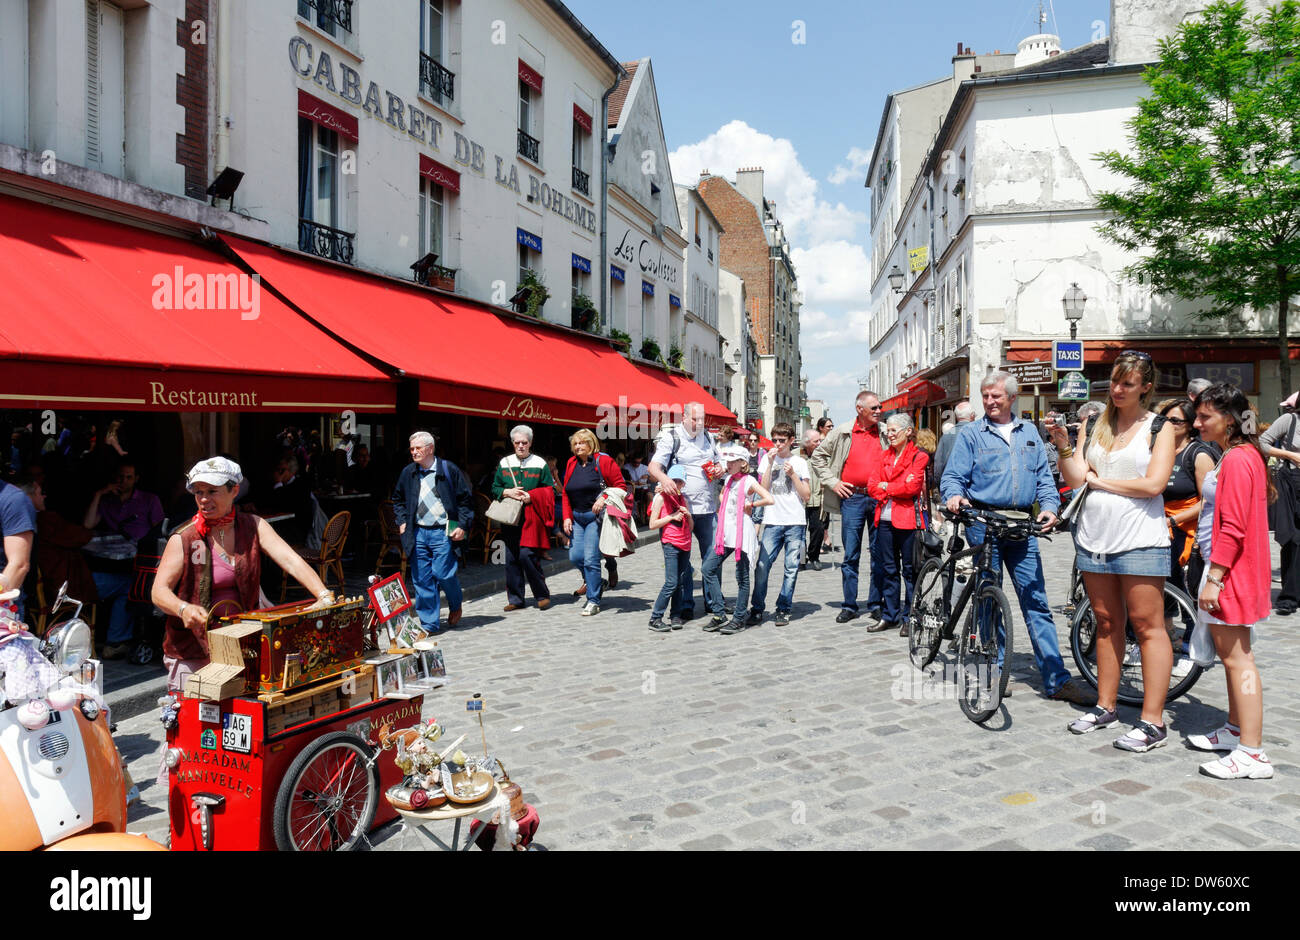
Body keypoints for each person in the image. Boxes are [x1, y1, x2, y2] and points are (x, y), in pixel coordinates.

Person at [1049, 351, 1178, 744]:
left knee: (1147, 626)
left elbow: (1153, 485)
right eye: (1115, 382)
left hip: (1139, 537)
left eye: (1128, 383)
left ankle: (1152, 720)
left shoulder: (1159, 427)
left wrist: (1100, 481)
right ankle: (1106, 706)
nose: (1118, 390)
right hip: (1094, 536)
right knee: (1105, 623)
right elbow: (1076, 479)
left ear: (1145, 388)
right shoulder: (1097, 423)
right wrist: (1064, 447)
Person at [945, 370, 1095, 705]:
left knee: (1036, 601)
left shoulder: (1029, 432)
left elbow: (1044, 478)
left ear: (1012, 398)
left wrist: (1051, 507)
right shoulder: (971, 434)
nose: (990, 402)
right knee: (989, 598)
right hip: (984, 523)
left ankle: (1057, 679)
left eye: (996, 396)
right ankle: (993, 670)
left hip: (1022, 526)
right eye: (985, 396)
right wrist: (954, 496)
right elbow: (953, 476)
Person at [151, 457, 336, 693]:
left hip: (243, 643)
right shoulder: (184, 538)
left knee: (243, 717)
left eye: (212, 491)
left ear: (234, 490)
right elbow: (158, 591)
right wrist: (182, 608)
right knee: (198, 722)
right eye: (198, 492)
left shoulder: (253, 526)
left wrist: (322, 594)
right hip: (194, 649)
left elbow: (290, 560)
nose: (204, 499)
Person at [1185, 384, 1274, 778]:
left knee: (1240, 660)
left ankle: (1252, 753)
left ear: (1229, 419)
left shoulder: (1237, 459)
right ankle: (1237, 730)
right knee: (1232, 658)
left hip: (1232, 573)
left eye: (1206, 416)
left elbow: (1234, 527)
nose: (1197, 422)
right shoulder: (1242, 454)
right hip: (1236, 569)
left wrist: (1215, 578)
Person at [810, 390, 888, 624]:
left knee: (878, 554)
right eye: (873, 408)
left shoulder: (884, 432)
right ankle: (849, 604)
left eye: (879, 407)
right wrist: (833, 482)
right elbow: (817, 457)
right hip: (852, 498)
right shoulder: (842, 431)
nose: (878, 411)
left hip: (878, 498)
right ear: (859, 409)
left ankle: (875, 604)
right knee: (851, 553)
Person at [647, 402, 722, 621]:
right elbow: (654, 467)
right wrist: (665, 479)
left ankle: (712, 602)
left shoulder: (708, 437)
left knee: (713, 557)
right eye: (695, 419)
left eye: (702, 419)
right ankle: (685, 605)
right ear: (684, 417)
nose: (699, 424)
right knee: (683, 563)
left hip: (707, 508)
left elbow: (718, 462)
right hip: (680, 510)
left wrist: (719, 468)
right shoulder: (672, 437)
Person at [392, 432, 473, 633]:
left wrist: (462, 525)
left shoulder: (448, 469)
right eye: (411, 449)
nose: (414, 452)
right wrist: (402, 522)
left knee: (442, 572)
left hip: (443, 531)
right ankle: (429, 624)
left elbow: (465, 501)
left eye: (418, 448)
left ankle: (455, 603)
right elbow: (398, 499)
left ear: (430, 448)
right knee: (422, 578)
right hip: (417, 532)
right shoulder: (408, 472)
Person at [83, 462, 165, 658]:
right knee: (125, 586)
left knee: (132, 586)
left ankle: (122, 638)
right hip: (109, 559)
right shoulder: (107, 501)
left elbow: (160, 530)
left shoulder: (148, 500)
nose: (123, 481)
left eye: (128, 477)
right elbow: (88, 524)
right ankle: (116, 639)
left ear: (136, 479)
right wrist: (99, 495)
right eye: (120, 476)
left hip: (140, 558)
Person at [702, 446, 773, 635]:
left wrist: (751, 504)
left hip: (743, 533)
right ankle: (719, 614)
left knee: (742, 577)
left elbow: (768, 498)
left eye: (733, 461)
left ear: (743, 463)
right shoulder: (728, 480)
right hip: (725, 533)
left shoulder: (749, 480)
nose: (729, 464)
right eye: (728, 461)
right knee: (708, 569)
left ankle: (739, 618)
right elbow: (723, 497)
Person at [1157, 399, 1215, 629]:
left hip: (1186, 530)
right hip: (1160, 526)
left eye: (1175, 421)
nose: (1168, 425)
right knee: (1164, 584)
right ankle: (1168, 632)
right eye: (1165, 420)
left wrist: (1173, 519)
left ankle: (1193, 637)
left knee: (1187, 586)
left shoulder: (1198, 455)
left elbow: (1208, 501)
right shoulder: (1159, 450)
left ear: (1190, 425)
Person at [869, 413, 929, 636]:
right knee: (888, 569)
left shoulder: (918, 457)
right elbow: (872, 485)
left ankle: (910, 616)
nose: (890, 434)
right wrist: (892, 486)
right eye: (888, 430)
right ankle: (890, 615)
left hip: (908, 520)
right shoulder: (884, 455)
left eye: (894, 430)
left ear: (908, 431)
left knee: (910, 571)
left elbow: (912, 489)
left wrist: (888, 486)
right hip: (884, 519)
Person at [748, 423, 812, 627]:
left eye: (781, 440)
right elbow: (763, 489)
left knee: (791, 567)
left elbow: (806, 495)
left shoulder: (800, 462)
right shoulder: (767, 459)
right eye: (774, 440)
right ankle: (757, 608)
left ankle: (783, 608)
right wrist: (768, 464)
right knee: (762, 566)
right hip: (773, 521)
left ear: (791, 441)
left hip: (795, 521)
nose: (777, 444)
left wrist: (793, 474)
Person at [561, 429, 625, 617]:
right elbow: (566, 493)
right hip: (576, 517)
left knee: (591, 560)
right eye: (575, 444)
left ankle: (593, 600)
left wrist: (604, 497)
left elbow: (620, 486)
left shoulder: (603, 461)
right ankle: (597, 581)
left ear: (591, 443)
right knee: (575, 557)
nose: (578, 447)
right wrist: (566, 516)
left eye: (582, 443)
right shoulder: (571, 463)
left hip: (595, 518)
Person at [492, 425, 554, 612]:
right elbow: (494, 488)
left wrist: (531, 496)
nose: (520, 446)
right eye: (517, 442)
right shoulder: (504, 463)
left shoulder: (540, 463)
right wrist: (506, 491)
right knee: (510, 558)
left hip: (531, 517)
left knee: (528, 556)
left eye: (524, 443)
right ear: (512, 443)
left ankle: (542, 595)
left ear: (530, 443)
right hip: (510, 518)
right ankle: (516, 599)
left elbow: (549, 490)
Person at [1259, 392, 1300, 615]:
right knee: (1293, 539)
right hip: (1291, 484)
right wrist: (1291, 455)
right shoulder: (1289, 420)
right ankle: (1289, 598)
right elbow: (1262, 443)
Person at [647, 465, 693, 633]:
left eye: (680, 482)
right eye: (674, 481)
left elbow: (691, 526)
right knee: (671, 582)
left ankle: (675, 615)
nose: (676, 484)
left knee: (679, 582)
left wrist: (688, 516)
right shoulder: (660, 498)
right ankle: (655, 617)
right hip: (670, 543)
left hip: (685, 543)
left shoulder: (683, 498)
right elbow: (652, 524)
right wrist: (671, 517)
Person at [800, 429, 826, 571]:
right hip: (800, 500)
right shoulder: (797, 454)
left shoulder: (822, 455)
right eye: (816, 441)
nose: (819, 443)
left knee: (818, 529)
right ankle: (801, 559)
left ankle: (814, 556)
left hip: (818, 498)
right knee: (799, 531)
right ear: (807, 442)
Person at [933, 400, 976, 484]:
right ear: (972, 416)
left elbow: (938, 464)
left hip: (951, 486)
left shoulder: (946, 435)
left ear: (956, 417)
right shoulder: (977, 434)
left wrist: (940, 485)